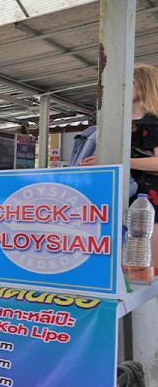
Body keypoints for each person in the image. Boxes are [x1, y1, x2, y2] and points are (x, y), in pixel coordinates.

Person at [84, 63, 158, 268]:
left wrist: (119, 161)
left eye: (129, 83)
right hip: (124, 197)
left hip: (149, 200)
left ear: (143, 86)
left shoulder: (153, 124)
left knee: (147, 266)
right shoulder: (120, 124)